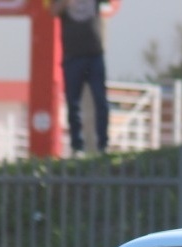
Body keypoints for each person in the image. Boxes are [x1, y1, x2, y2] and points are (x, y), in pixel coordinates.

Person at [51, 0, 109, 156]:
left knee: (100, 101)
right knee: (73, 103)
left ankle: (103, 144)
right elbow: (53, 11)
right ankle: (77, 146)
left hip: (95, 53)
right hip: (72, 56)